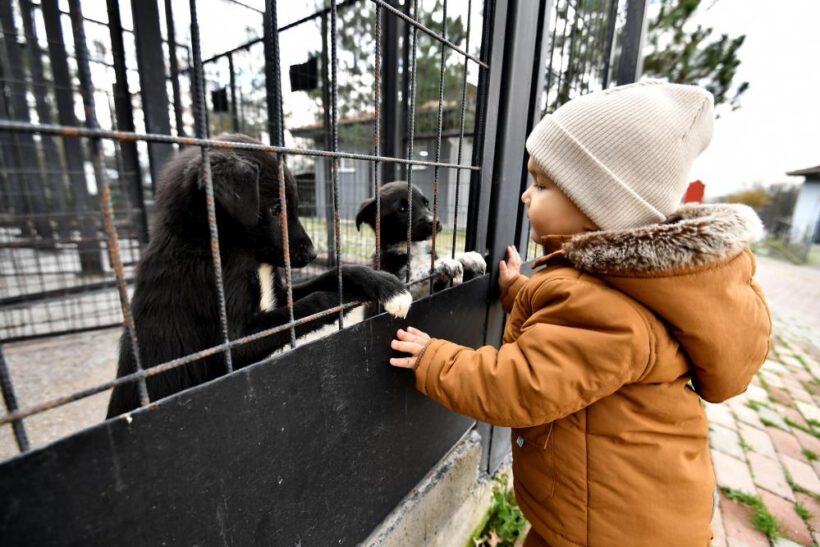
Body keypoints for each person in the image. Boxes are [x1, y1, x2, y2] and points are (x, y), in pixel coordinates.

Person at [389, 80, 771, 547]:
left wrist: (435, 359)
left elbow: (520, 384)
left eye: (542, 185)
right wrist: (521, 294)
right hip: (611, 514)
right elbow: (572, 328)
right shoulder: (619, 288)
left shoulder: (607, 310)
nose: (527, 196)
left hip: (614, 533)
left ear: (600, 210)